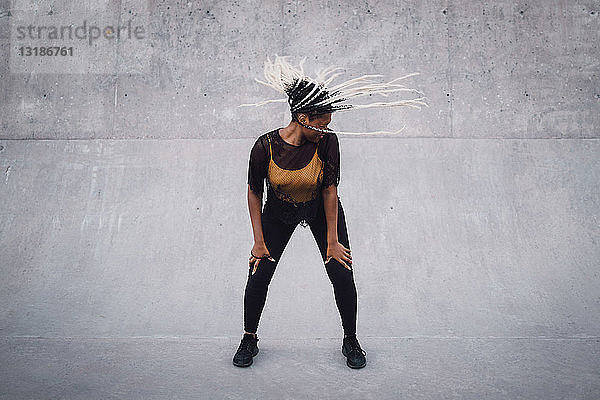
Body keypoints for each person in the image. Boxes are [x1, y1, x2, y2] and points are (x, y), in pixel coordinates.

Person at [233, 55, 427, 369]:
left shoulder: (328, 143)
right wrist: (258, 240)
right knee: (258, 275)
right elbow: (254, 191)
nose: (326, 128)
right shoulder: (264, 146)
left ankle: (350, 339)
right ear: (301, 116)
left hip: (322, 211)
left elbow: (329, 190)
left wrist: (333, 241)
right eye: (321, 122)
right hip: (278, 211)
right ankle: (249, 338)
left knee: (342, 273)